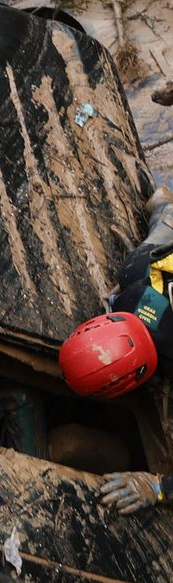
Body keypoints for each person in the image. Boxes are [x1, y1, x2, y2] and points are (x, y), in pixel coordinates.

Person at [59, 185, 173, 515]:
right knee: (162, 207)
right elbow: (165, 221)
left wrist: (159, 488)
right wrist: (162, 204)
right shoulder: (134, 273)